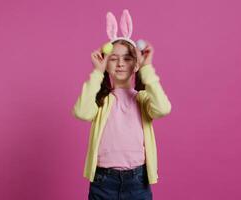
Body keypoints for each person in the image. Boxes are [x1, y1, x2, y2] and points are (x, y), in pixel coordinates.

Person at [72, 9, 171, 200]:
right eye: (113, 59)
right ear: (106, 64)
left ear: (135, 65)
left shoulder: (142, 99)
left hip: (138, 182)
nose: (120, 64)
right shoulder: (102, 101)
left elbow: (163, 108)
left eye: (127, 58)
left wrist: (147, 68)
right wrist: (97, 73)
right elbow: (82, 112)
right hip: (103, 182)